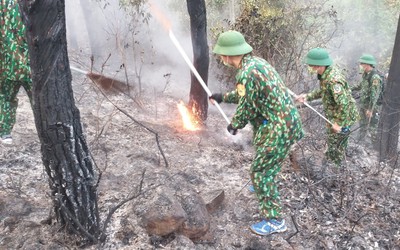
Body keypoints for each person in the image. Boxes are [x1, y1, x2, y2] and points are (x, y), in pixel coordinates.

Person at [210, 30, 304, 236]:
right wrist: (222, 96)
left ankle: (275, 220)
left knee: (259, 172)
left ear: (227, 55)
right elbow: (248, 94)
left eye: (221, 55)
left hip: (276, 128)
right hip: (286, 123)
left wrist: (235, 123)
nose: (221, 59)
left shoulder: (246, 73)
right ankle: (263, 186)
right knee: (265, 162)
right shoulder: (257, 64)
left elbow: (248, 105)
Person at [296, 48, 359, 166]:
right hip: (335, 116)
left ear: (319, 65)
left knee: (337, 145)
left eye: (312, 65)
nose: (311, 68)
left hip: (343, 117)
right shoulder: (326, 74)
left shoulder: (334, 80)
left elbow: (343, 104)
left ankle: (335, 171)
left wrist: (339, 123)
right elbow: (324, 91)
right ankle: (332, 162)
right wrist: (307, 97)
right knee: (333, 142)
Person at [0, 0, 32, 144]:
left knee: (41, 99)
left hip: (31, 63)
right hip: (7, 62)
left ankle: (49, 131)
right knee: (5, 96)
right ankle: (4, 131)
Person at [351, 54, 382, 144]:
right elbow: (360, 86)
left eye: (362, 64)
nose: (360, 66)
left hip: (371, 107)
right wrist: (348, 88)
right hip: (363, 105)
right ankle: (360, 144)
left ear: (368, 64)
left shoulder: (375, 77)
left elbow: (374, 95)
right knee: (362, 125)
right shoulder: (366, 75)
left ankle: (375, 148)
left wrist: (370, 109)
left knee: (373, 127)